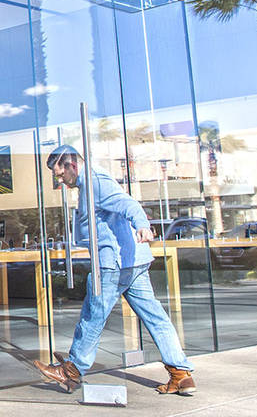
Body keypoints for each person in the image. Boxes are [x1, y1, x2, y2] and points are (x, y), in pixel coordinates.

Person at [33, 145, 197, 396]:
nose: (59, 180)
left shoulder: (96, 181)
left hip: (114, 263)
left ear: (71, 166)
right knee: (155, 317)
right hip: (132, 262)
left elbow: (127, 204)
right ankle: (180, 373)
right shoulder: (88, 183)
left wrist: (142, 225)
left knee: (92, 316)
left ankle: (71, 370)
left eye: (59, 174)